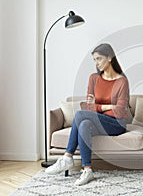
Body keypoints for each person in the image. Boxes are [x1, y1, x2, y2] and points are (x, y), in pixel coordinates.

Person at [45, 43, 129, 186]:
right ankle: (87, 169)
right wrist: (108, 106)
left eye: (99, 59)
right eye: (95, 60)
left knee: (80, 115)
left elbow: (120, 111)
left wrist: (97, 106)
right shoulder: (93, 79)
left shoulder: (122, 81)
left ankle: (67, 157)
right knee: (83, 123)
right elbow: (87, 106)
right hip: (98, 120)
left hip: (116, 123)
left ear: (109, 58)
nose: (97, 63)